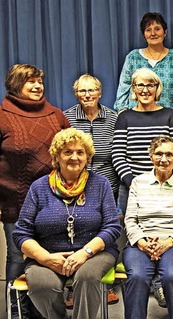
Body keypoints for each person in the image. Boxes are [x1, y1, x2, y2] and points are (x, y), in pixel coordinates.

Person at [13, 128, 121, 319]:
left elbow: (112, 227)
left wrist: (85, 252)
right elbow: (21, 233)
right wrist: (46, 258)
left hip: (94, 253)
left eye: (80, 152)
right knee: (43, 285)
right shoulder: (39, 187)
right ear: (56, 157)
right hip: (47, 254)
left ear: (88, 157)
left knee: (87, 277)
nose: (74, 157)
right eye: (67, 152)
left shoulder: (100, 184)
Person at [0, 63, 70, 316]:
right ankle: (17, 314)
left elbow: (72, 156)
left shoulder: (56, 116)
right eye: (31, 81)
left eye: (40, 81)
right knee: (19, 258)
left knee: (47, 260)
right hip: (15, 203)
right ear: (16, 85)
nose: (38, 86)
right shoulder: (2, 116)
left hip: (54, 204)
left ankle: (44, 314)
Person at [123, 135, 173, 319]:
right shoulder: (138, 182)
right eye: (158, 154)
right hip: (142, 243)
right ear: (151, 156)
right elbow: (130, 220)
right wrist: (141, 243)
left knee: (172, 275)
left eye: (169, 154)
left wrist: (168, 243)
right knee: (138, 277)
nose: (163, 159)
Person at [112, 68, 173, 216]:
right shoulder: (124, 117)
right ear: (133, 88)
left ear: (157, 88)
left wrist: (164, 179)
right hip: (132, 187)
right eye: (140, 85)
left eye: (150, 85)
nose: (145, 90)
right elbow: (117, 155)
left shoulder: (170, 115)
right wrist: (132, 183)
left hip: (166, 186)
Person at [114, 12, 173, 110]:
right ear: (144, 35)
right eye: (148, 30)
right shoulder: (133, 57)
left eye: (157, 29)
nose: (153, 33)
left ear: (165, 32)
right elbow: (123, 90)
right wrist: (123, 114)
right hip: (136, 117)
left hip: (168, 118)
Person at [64, 74, 119, 199]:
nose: (87, 95)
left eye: (92, 90)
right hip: (75, 184)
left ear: (99, 93)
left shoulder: (113, 118)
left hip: (108, 185)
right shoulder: (66, 117)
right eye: (82, 91)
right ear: (76, 95)